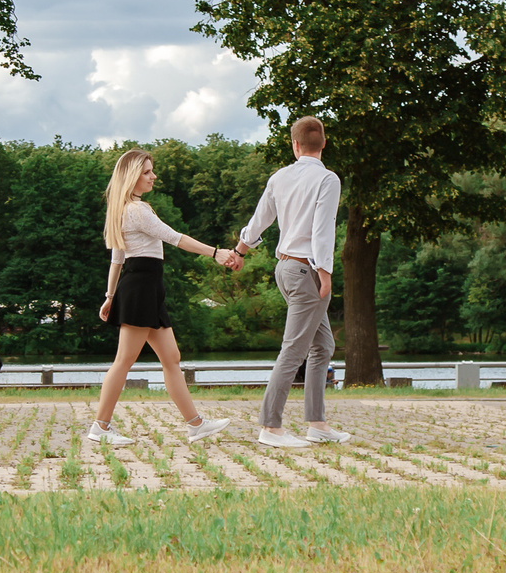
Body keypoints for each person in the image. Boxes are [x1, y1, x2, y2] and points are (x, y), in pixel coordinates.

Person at [88, 148, 237, 445]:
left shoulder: (127, 209)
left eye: (152, 170)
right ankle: (100, 428)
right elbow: (175, 238)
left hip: (146, 288)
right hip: (141, 287)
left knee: (171, 358)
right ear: (132, 176)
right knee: (124, 361)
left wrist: (110, 295)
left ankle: (195, 424)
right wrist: (216, 253)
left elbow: (118, 259)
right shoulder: (136, 210)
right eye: (146, 172)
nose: (153, 176)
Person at [235, 116, 349, 448]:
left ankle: (317, 424)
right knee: (294, 349)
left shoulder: (280, 177)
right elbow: (323, 228)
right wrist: (325, 273)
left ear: (295, 145)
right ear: (323, 143)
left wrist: (240, 250)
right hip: (306, 272)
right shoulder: (328, 179)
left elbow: (259, 221)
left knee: (323, 346)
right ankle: (270, 427)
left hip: (285, 271)